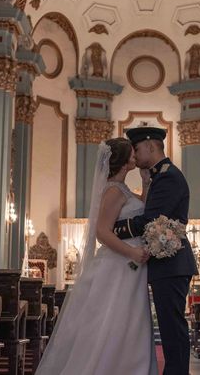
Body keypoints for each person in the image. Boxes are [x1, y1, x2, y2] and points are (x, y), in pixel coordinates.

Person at [34, 137, 158, 375]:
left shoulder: (121, 188)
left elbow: (140, 206)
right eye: (132, 153)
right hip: (120, 263)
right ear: (122, 161)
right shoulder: (113, 190)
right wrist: (132, 251)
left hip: (129, 265)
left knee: (130, 319)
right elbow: (102, 232)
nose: (135, 155)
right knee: (116, 317)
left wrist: (146, 184)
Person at [113, 126, 199, 375]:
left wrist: (112, 230)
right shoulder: (158, 176)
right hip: (166, 263)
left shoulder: (169, 176)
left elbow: (150, 220)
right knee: (171, 325)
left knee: (173, 328)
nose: (135, 155)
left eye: (137, 149)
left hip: (171, 263)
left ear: (151, 146)